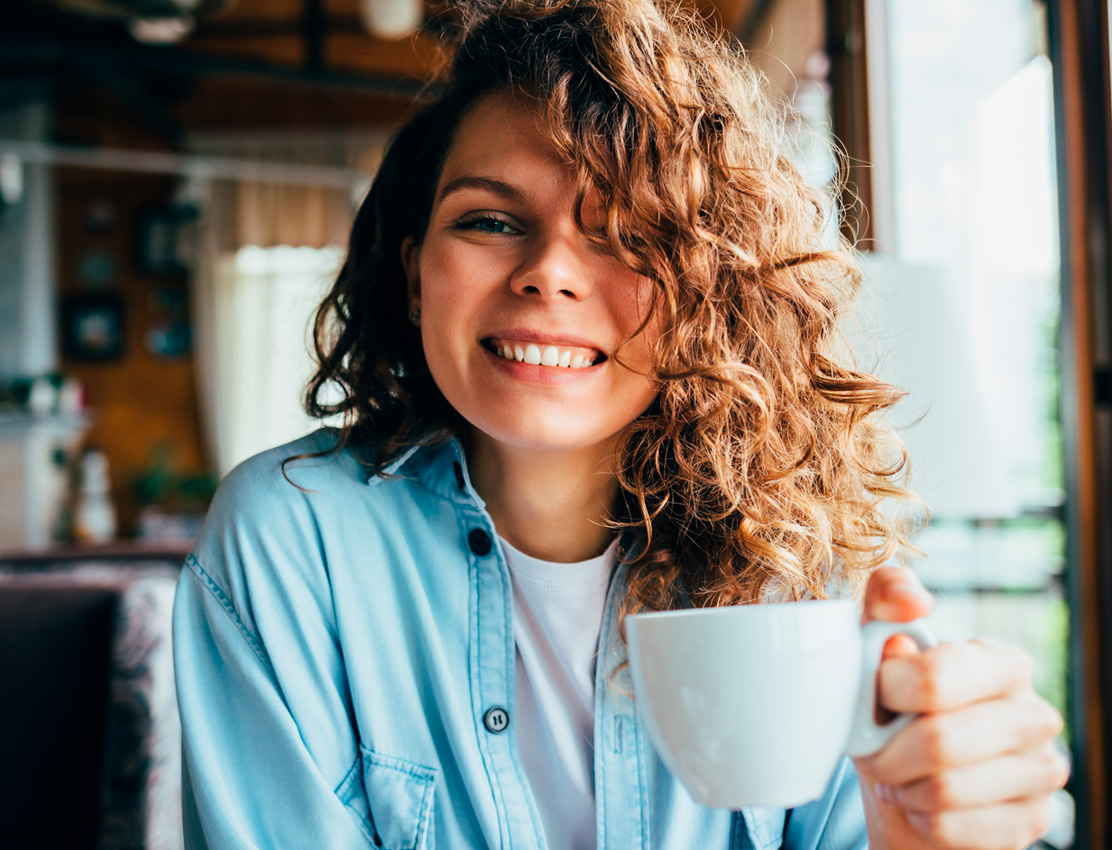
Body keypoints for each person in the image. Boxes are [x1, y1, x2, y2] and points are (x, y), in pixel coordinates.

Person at [172, 1, 1069, 848]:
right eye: (490, 220)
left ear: (705, 298)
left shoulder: (807, 571)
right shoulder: (291, 540)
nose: (551, 272)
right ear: (415, 278)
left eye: (629, 235)